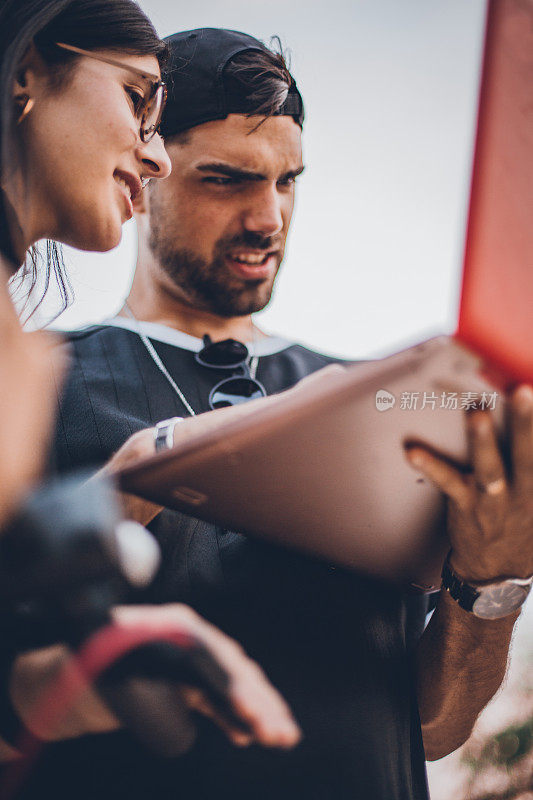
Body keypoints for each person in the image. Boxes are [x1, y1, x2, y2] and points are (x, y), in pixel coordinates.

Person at [49, 28, 533, 800]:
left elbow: (433, 730)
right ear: (145, 173)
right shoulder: (38, 381)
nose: (268, 217)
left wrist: (490, 584)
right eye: (227, 180)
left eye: (287, 181)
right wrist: (139, 474)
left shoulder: (375, 404)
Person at [0, 3, 300, 766]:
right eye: (138, 98)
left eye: (288, 183)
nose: (153, 153)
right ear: (28, 68)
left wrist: (111, 669)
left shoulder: (21, 353)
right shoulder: (42, 363)